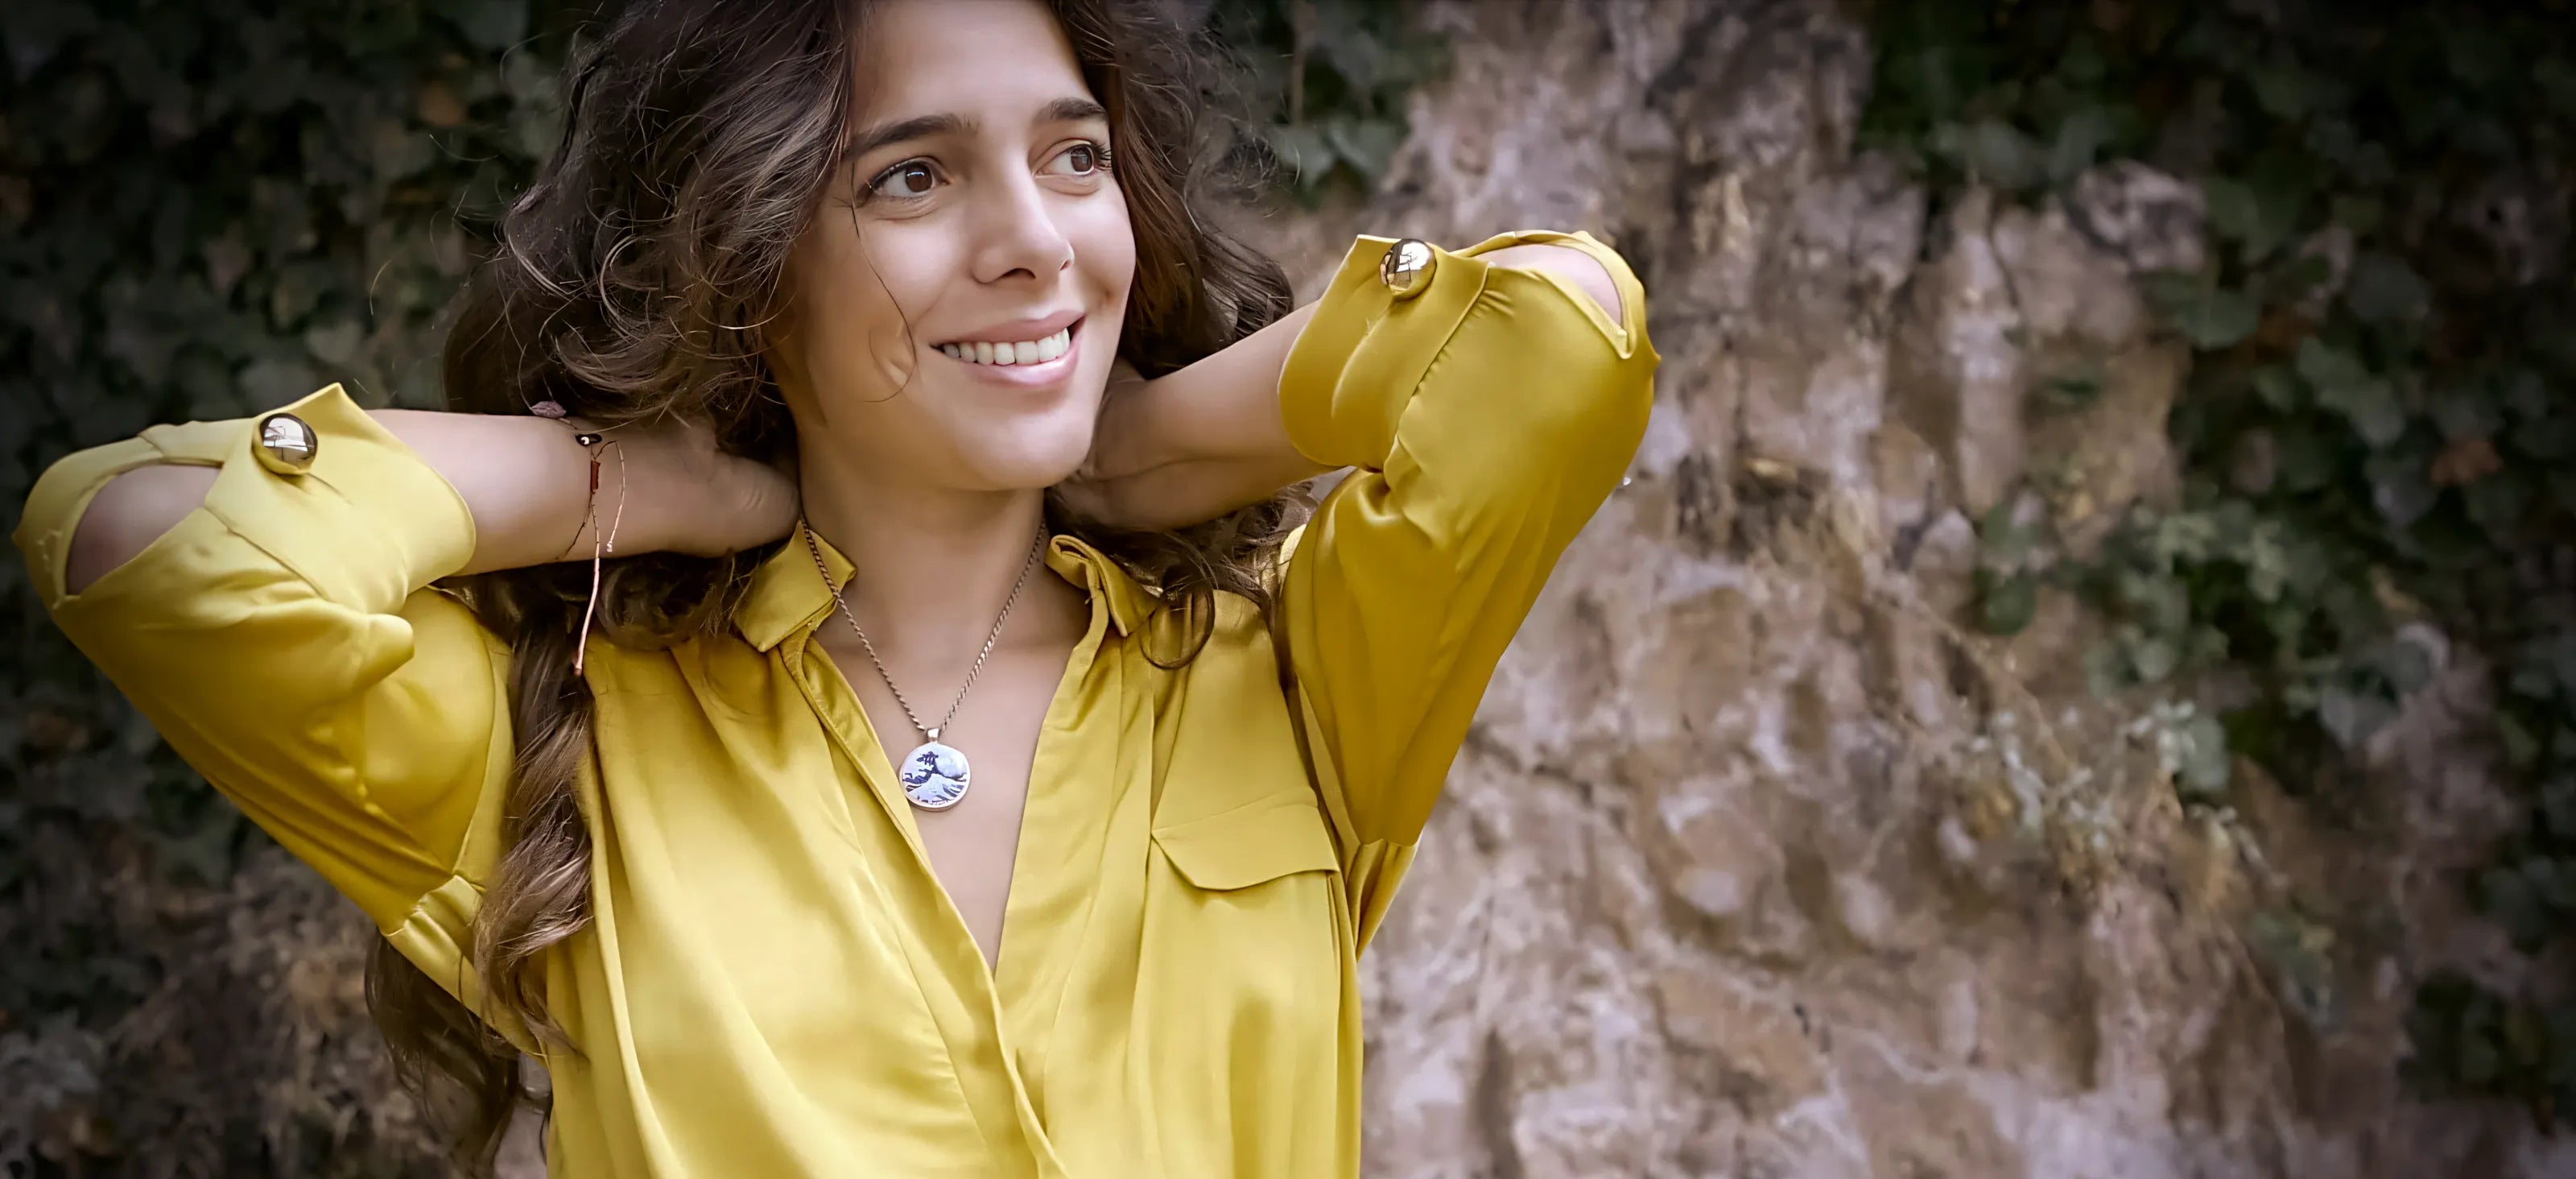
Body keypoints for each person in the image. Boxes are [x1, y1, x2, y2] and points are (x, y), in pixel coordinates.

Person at [13, 0, 1656, 1174]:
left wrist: (1141, 449)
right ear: (745, 257)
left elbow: (1552, 342)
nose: (1034, 241)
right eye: (912, 178)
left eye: (1074, 159)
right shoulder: (578, 736)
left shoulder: (1289, 678)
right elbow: (151, 540)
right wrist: (654, 484)